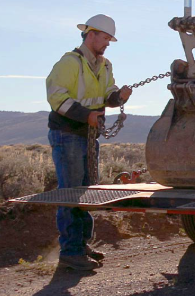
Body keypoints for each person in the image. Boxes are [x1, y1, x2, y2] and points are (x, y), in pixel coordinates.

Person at [45, 14, 133, 271]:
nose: (107, 43)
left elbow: (106, 94)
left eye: (109, 39)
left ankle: (80, 245)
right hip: (68, 133)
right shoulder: (69, 63)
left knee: (85, 192)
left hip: (88, 135)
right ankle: (71, 251)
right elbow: (56, 96)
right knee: (71, 191)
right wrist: (87, 116)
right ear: (91, 34)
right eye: (105, 38)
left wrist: (118, 97)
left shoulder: (104, 65)